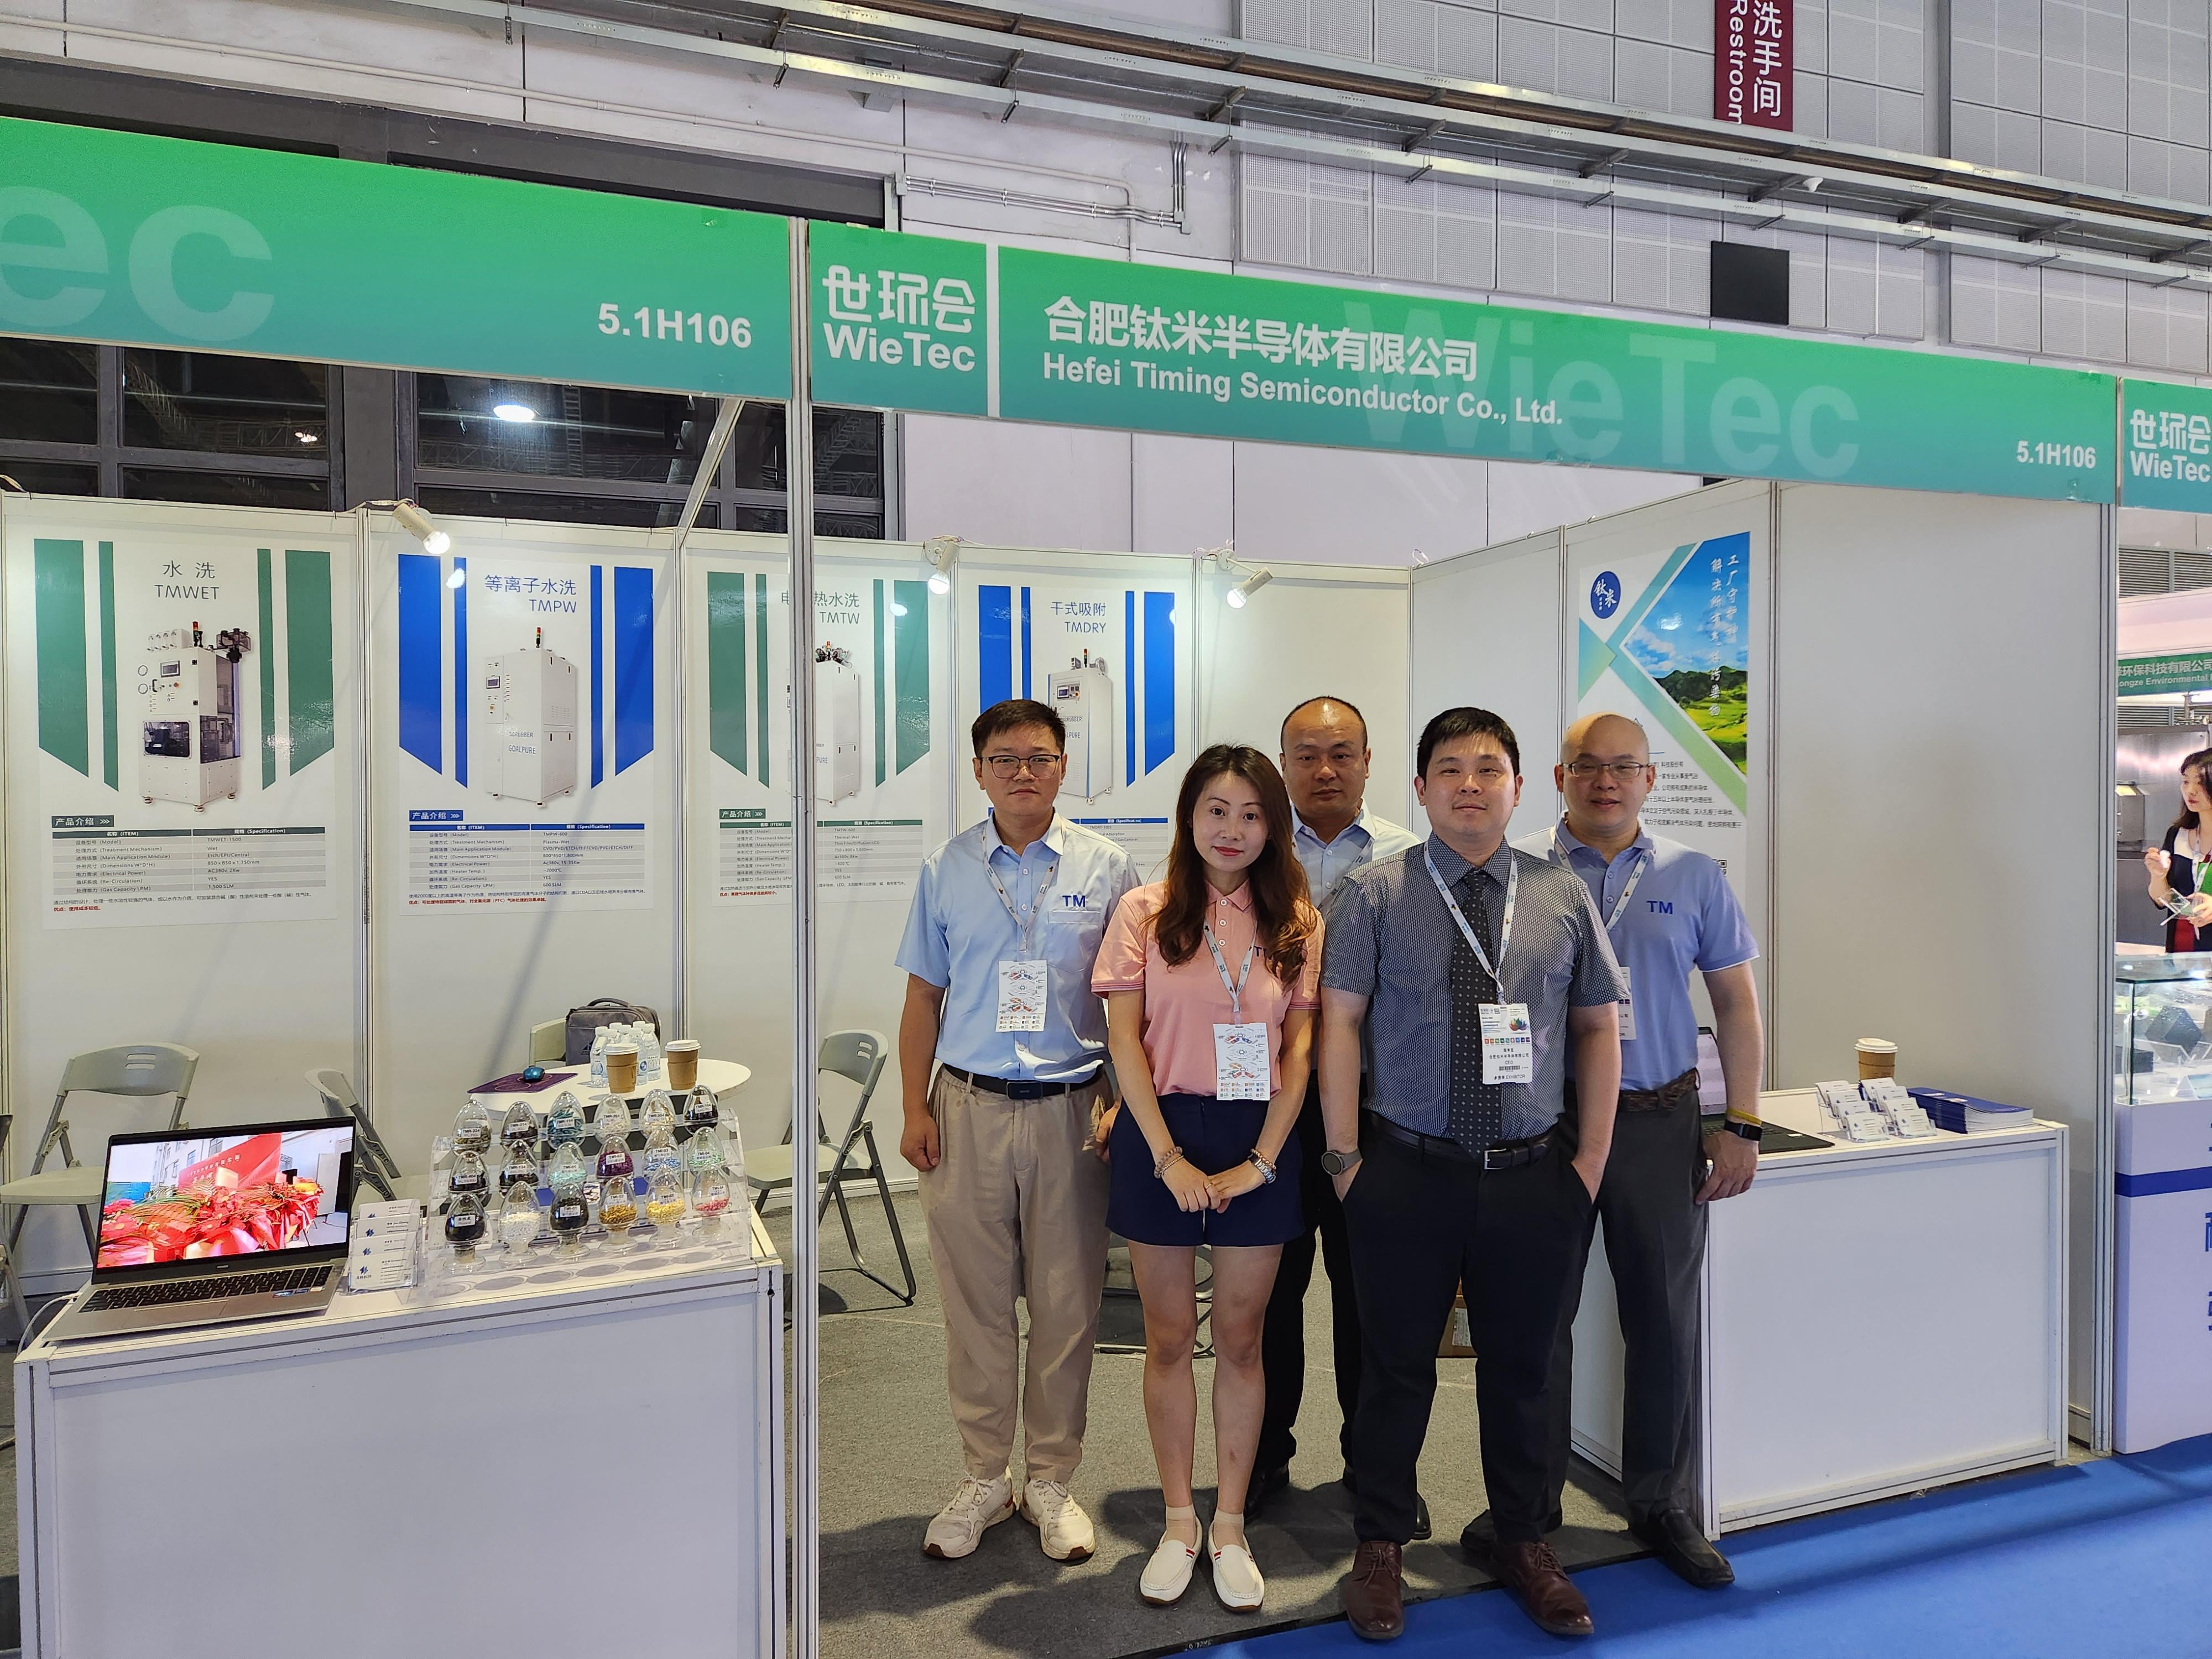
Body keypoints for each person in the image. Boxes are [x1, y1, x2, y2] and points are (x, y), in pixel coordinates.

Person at [1319, 706, 1625, 1644]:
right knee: (1393, 1368)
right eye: (1449, 769)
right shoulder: (1373, 894)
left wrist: (1589, 1162)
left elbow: (1596, 1028)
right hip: (1405, 1170)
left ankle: (1525, 1541)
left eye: (1488, 769)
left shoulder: (1561, 892)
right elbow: (1338, 1024)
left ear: (1518, 788)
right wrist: (1345, 1161)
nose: (1469, 785)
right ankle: (1380, 1547)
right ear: (1420, 788)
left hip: (1534, 1175)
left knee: (1526, 1371)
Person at [1493, 712, 1765, 1589]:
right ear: (1559, 777)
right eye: (1586, 766)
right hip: (1549, 1125)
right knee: (1539, 1320)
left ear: (1650, 779)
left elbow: (1736, 1004)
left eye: (1623, 767)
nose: (1604, 781)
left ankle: (1659, 1502)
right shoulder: (1517, 869)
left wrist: (1742, 1124)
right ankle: (1530, 1509)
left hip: (1657, 1122)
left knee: (1662, 1318)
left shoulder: (1694, 875)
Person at [895, 698, 1140, 1564]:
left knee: (1068, 1306)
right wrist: (914, 1106)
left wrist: (1124, 1100)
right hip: (967, 1107)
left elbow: (1130, 1004)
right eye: (1005, 759)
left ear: (1063, 767)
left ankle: (1051, 1480)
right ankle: (983, 1478)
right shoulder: (947, 868)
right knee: (976, 1306)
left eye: (1039, 757)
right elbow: (923, 997)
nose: (1023, 772)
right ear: (979, 771)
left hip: (1074, 1110)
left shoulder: (1107, 868)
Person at [1092, 744, 1322, 1613]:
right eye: (1217, 811)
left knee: (1243, 1339)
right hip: (1162, 1130)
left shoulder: (1297, 920)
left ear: (1274, 827)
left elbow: (1299, 1052)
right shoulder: (1144, 912)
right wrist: (1166, 1157)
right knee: (1165, 1339)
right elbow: (1124, 1041)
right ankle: (1178, 1522)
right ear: (1189, 817)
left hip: (1261, 1135)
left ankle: (1229, 1524)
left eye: (1252, 814)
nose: (1233, 830)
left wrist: (1262, 1160)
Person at [1251, 696, 1421, 1530]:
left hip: (1374, 1111)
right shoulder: (1248, 848)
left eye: (1341, 753)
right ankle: (1262, 1458)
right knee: (1267, 1296)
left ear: (1367, 761)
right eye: (1307, 755)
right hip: (1270, 1115)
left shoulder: (1409, 858)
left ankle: (1376, 1466)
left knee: (1373, 1301)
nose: (1324, 770)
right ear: (1282, 764)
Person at [2145, 748, 2212, 953]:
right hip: (2181, 951)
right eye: (2186, 781)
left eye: (2201, 783)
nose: (2190, 791)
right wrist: (2158, 876)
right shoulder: (2177, 835)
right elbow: (2163, 900)